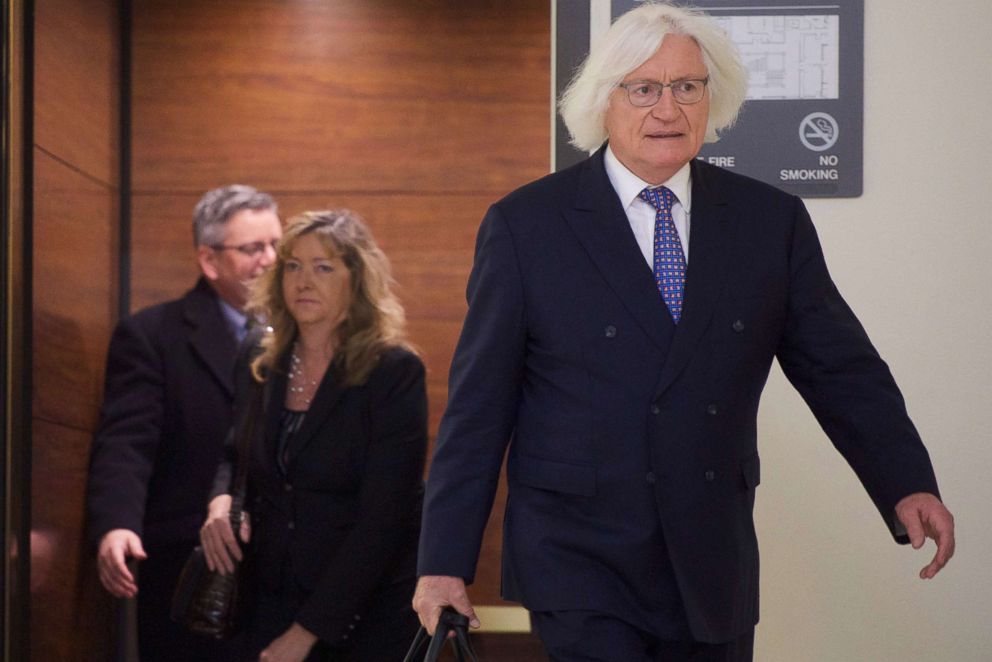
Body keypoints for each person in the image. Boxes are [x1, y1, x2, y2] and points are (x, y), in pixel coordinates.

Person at [412, 4, 956, 661]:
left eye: (687, 87)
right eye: (643, 89)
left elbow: (841, 369)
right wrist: (443, 560)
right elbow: (479, 408)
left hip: (711, 557)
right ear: (602, 102)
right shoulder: (527, 227)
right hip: (580, 559)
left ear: (711, 97)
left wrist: (905, 480)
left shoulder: (768, 223)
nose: (667, 109)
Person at [200, 210, 428, 661]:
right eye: (293, 266)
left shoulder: (393, 372)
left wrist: (307, 633)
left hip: (365, 610)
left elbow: (384, 520)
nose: (304, 281)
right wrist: (221, 500)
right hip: (269, 593)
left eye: (324, 267)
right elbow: (235, 453)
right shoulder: (261, 360)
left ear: (356, 280)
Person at [86, 184, 282, 661]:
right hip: (188, 563)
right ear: (210, 260)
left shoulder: (310, 338)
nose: (272, 260)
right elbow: (127, 442)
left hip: (282, 561)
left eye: (278, 245)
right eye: (253, 248)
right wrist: (116, 524)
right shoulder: (154, 335)